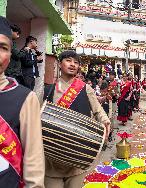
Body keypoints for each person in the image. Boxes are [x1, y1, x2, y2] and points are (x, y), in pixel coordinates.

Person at [43, 50, 110, 188]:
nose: (72, 64)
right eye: (68, 60)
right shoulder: (48, 90)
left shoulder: (85, 88)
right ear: (59, 64)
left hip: (78, 158)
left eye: (76, 62)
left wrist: (105, 121)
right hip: (52, 160)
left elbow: (98, 110)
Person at [0, 16, 45, 187]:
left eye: (2, 47)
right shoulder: (24, 51)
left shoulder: (24, 99)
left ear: (9, 54)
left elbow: (33, 163)